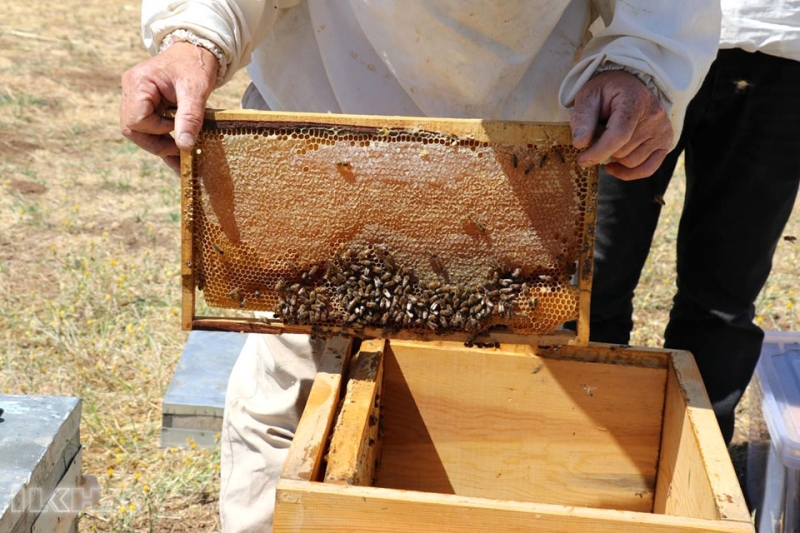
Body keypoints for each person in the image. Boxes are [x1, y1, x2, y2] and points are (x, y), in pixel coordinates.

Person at [120, 2, 721, 531]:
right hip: (321, 159)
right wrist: (193, 36)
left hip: (516, 185)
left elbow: (664, 11)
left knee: (508, 436)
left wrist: (642, 65)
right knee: (296, 414)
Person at [589, 0, 800, 448]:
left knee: (722, 298)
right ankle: (578, 443)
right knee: (589, 281)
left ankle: (694, 474)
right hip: (641, 41)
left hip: (783, 47)